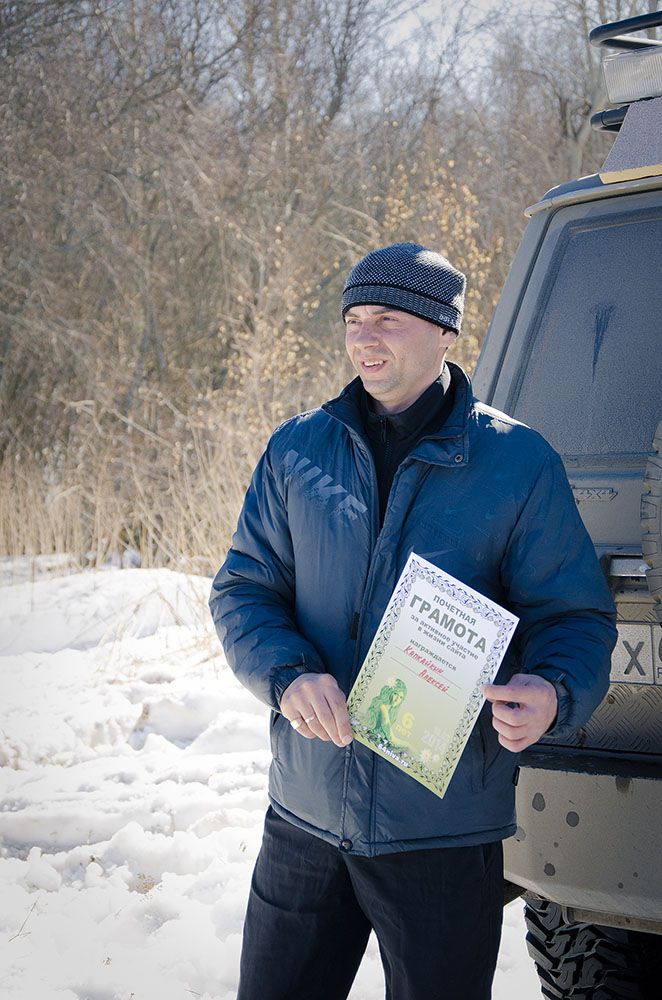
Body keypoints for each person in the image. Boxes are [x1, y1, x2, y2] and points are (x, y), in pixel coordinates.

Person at [209, 242, 617, 1000]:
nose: (364, 337)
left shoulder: (518, 462)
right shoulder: (298, 450)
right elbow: (243, 589)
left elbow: (574, 614)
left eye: (388, 319)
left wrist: (554, 690)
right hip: (305, 813)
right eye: (353, 319)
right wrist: (288, 676)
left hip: (442, 828)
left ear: (443, 333)